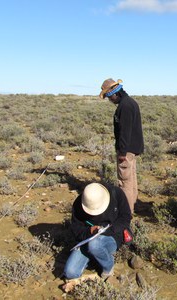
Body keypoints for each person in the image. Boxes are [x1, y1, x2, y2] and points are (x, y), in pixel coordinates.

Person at [63, 182, 132, 281]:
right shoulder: (79, 204)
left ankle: (108, 267)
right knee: (70, 272)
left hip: (112, 236)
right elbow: (76, 229)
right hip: (87, 240)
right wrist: (89, 231)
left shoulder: (116, 193)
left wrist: (108, 230)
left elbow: (125, 217)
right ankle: (97, 257)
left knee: (95, 245)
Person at [100, 78, 144, 213]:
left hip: (127, 150)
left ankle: (126, 212)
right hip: (132, 148)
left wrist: (122, 153)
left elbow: (125, 131)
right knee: (131, 179)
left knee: (124, 182)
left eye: (109, 97)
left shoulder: (124, 106)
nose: (109, 100)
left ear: (115, 93)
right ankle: (133, 204)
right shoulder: (130, 102)